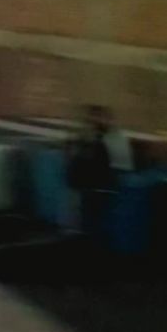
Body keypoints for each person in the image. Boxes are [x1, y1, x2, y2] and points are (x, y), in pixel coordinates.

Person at [67, 105, 132, 247]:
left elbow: (117, 167)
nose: (93, 122)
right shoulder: (92, 140)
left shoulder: (109, 139)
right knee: (92, 227)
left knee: (96, 227)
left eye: (96, 118)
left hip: (101, 190)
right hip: (93, 189)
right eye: (91, 119)